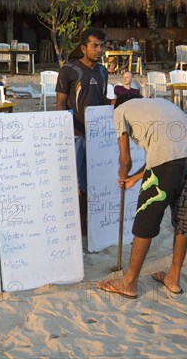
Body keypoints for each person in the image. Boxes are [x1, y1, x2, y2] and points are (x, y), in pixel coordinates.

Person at [98, 93, 187, 299]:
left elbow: (125, 158)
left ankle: (128, 282)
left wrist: (123, 173)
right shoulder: (159, 104)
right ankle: (173, 277)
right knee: (184, 217)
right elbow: (162, 152)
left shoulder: (120, 110)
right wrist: (135, 178)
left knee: (147, 217)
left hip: (169, 159)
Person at [56, 28, 110, 234]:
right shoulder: (69, 70)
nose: (99, 50)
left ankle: (86, 227)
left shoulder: (103, 72)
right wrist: (65, 134)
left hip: (97, 137)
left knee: (92, 181)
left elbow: (102, 100)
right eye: (95, 45)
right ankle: (72, 227)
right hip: (75, 136)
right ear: (83, 47)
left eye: (102, 46)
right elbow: (60, 104)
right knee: (74, 183)